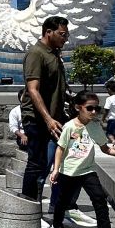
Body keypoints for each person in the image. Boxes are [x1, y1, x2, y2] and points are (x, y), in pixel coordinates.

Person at [49, 91, 115, 228]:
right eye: (89, 108)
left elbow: (104, 148)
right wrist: (55, 169)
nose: (94, 112)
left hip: (88, 171)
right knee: (63, 201)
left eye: (96, 108)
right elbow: (60, 148)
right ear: (78, 107)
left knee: (99, 199)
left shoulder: (94, 126)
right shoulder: (69, 127)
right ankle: (56, 226)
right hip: (69, 171)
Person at [20, 16, 70, 204]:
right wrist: (48, 119)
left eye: (66, 35)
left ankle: (60, 207)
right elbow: (33, 89)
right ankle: (28, 207)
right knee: (37, 163)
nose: (65, 39)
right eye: (62, 34)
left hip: (55, 118)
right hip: (37, 118)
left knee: (66, 161)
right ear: (48, 32)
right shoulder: (36, 53)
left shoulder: (54, 53)